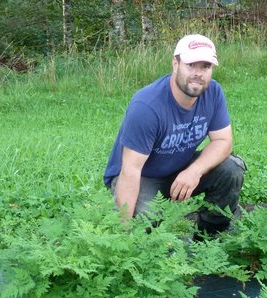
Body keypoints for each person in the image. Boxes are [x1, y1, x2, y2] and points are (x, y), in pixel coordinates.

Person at [103, 34, 246, 235]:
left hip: (180, 169)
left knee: (231, 169)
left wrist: (194, 170)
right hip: (143, 176)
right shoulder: (146, 106)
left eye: (205, 66)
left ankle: (211, 234)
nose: (198, 73)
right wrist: (124, 231)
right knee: (145, 223)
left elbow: (223, 141)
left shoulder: (213, 92)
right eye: (191, 65)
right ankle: (151, 245)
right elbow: (130, 171)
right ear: (175, 64)